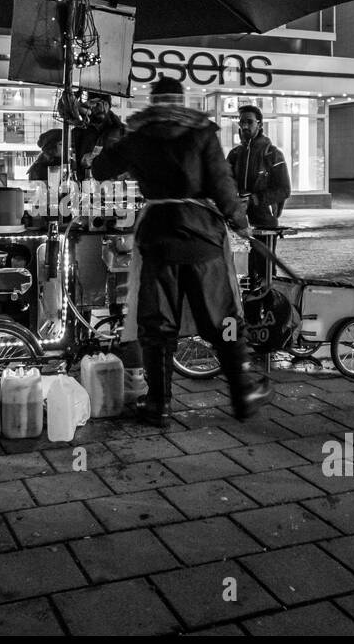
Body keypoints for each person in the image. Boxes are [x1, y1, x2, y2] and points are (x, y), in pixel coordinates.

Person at [92, 75, 270, 427]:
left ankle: (159, 405)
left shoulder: (137, 135)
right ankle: (244, 391)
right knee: (222, 318)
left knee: (158, 326)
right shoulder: (201, 132)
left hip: (158, 238)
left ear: (154, 102)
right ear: (182, 100)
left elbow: (100, 169)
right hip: (202, 238)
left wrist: (113, 144)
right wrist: (240, 221)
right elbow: (222, 183)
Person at [227, 104, 291, 290]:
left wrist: (254, 200)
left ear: (259, 124)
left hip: (264, 221)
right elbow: (224, 182)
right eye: (241, 122)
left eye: (249, 122)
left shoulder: (272, 154)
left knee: (264, 268)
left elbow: (284, 189)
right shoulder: (235, 154)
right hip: (239, 220)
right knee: (242, 268)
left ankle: (268, 306)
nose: (244, 126)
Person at [73, 94, 125, 180]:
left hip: (115, 186)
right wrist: (82, 162)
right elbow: (71, 164)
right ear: (89, 105)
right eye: (96, 103)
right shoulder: (79, 131)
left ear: (109, 106)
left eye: (105, 104)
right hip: (86, 186)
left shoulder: (121, 130)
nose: (101, 108)